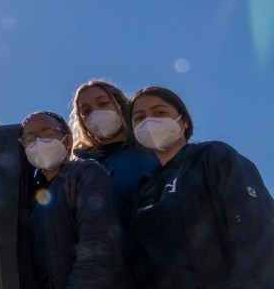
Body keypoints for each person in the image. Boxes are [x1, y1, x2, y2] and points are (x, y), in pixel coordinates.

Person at [129, 86, 274, 288]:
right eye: (139, 118)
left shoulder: (214, 157)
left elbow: (258, 229)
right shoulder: (145, 189)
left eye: (160, 112)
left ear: (184, 121)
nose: (149, 122)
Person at [20, 111, 124, 288]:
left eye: (47, 134)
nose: (38, 142)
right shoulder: (28, 195)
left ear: (67, 141)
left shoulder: (85, 174)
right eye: (30, 138)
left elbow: (98, 249)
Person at [69, 79, 159, 267]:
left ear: (120, 104)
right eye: (86, 111)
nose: (95, 113)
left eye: (103, 104)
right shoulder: (79, 168)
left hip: (155, 268)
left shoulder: (151, 152)